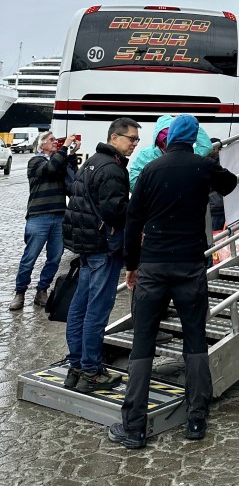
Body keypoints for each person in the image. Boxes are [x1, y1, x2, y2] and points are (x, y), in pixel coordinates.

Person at [108, 113, 238, 450]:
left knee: (142, 343)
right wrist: (208, 164)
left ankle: (134, 427)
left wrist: (131, 265)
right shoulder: (202, 167)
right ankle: (196, 419)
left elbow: (133, 219)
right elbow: (230, 183)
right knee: (195, 339)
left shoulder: (151, 169)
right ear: (193, 138)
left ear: (165, 138)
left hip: (152, 266)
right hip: (190, 266)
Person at [62, 117, 139, 393]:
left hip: (86, 246)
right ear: (114, 137)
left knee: (79, 308)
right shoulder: (112, 168)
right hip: (103, 248)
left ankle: (76, 366)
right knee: (96, 310)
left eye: (137, 140)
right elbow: (114, 211)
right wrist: (136, 210)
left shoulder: (92, 161)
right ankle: (92, 371)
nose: (135, 144)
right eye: (131, 138)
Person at [8, 131, 80, 311]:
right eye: (51, 140)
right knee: (29, 257)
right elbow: (50, 169)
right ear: (41, 144)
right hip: (39, 216)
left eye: (56, 140)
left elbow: (73, 183)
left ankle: (42, 291)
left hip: (59, 215)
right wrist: (65, 148)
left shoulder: (59, 161)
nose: (55, 142)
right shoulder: (35, 162)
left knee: (54, 258)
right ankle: (20, 292)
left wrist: (71, 156)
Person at [127, 113, 213, 191]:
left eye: (172, 136)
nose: (169, 141)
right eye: (165, 138)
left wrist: (189, 123)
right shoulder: (146, 154)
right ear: (159, 140)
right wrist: (156, 191)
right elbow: (133, 181)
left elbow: (206, 147)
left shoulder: (186, 153)